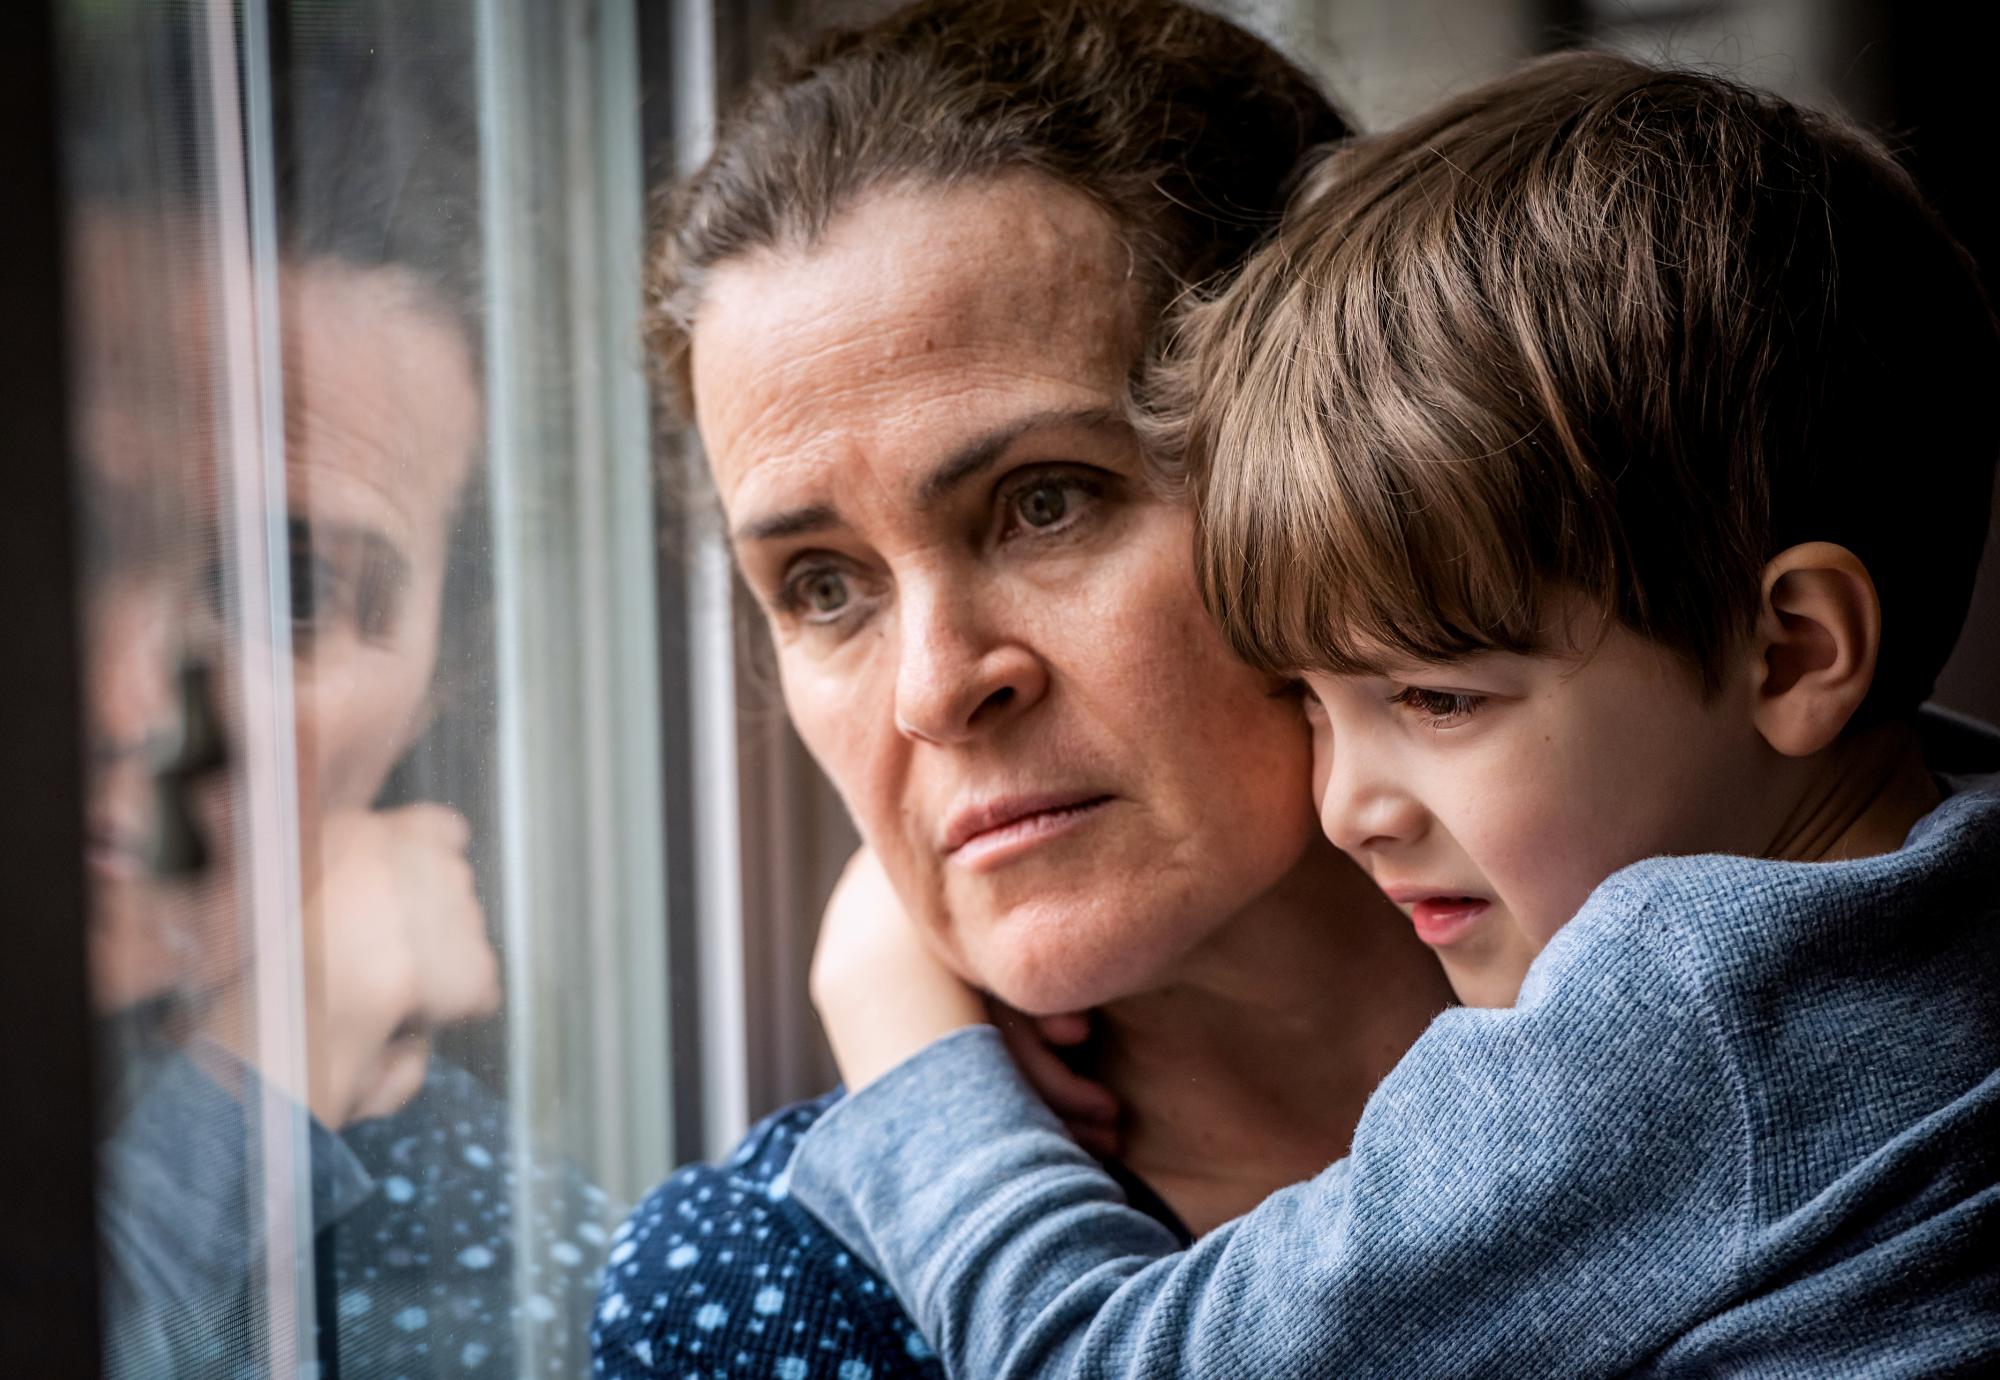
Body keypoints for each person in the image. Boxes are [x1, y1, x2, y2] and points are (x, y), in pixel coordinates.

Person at [780, 50, 2000, 1377]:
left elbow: (1106, 1360)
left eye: (1438, 696)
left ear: (1791, 652)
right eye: (1310, 698)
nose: (1352, 806)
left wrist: (903, 1036)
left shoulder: (1695, 1017)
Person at [593, 3, 1454, 1376]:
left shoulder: (1806, 1034)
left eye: (1044, 504)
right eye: (824, 586)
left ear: (1346, 470)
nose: (935, 692)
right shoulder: (770, 1287)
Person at [78, 24, 607, 1373]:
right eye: (65, 529)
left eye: (294, 591)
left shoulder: (512, 1281)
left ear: (446, 676)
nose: (120, 696)